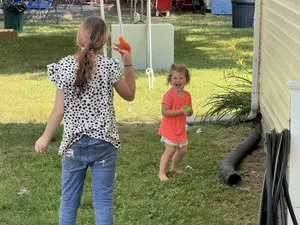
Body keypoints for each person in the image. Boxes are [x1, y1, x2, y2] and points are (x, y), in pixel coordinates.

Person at [34, 16, 135, 225]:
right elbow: (130, 94)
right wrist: (128, 62)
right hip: (104, 143)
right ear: (105, 39)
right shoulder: (109, 67)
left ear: (80, 37)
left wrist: (45, 137)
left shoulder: (64, 67)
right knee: (103, 203)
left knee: (69, 202)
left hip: (73, 145)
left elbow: (58, 110)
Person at [158, 64, 192, 181]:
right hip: (169, 128)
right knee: (170, 150)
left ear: (186, 80)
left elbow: (188, 110)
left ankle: (174, 167)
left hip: (180, 128)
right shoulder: (169, 95)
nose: (178, 80)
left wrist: (189, 112)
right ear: (170, 80)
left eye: (181, 78)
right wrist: (180, 111)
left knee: (183, 149)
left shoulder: (187, 96)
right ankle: (161, 173)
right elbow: (164, 112)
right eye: (175, 78)